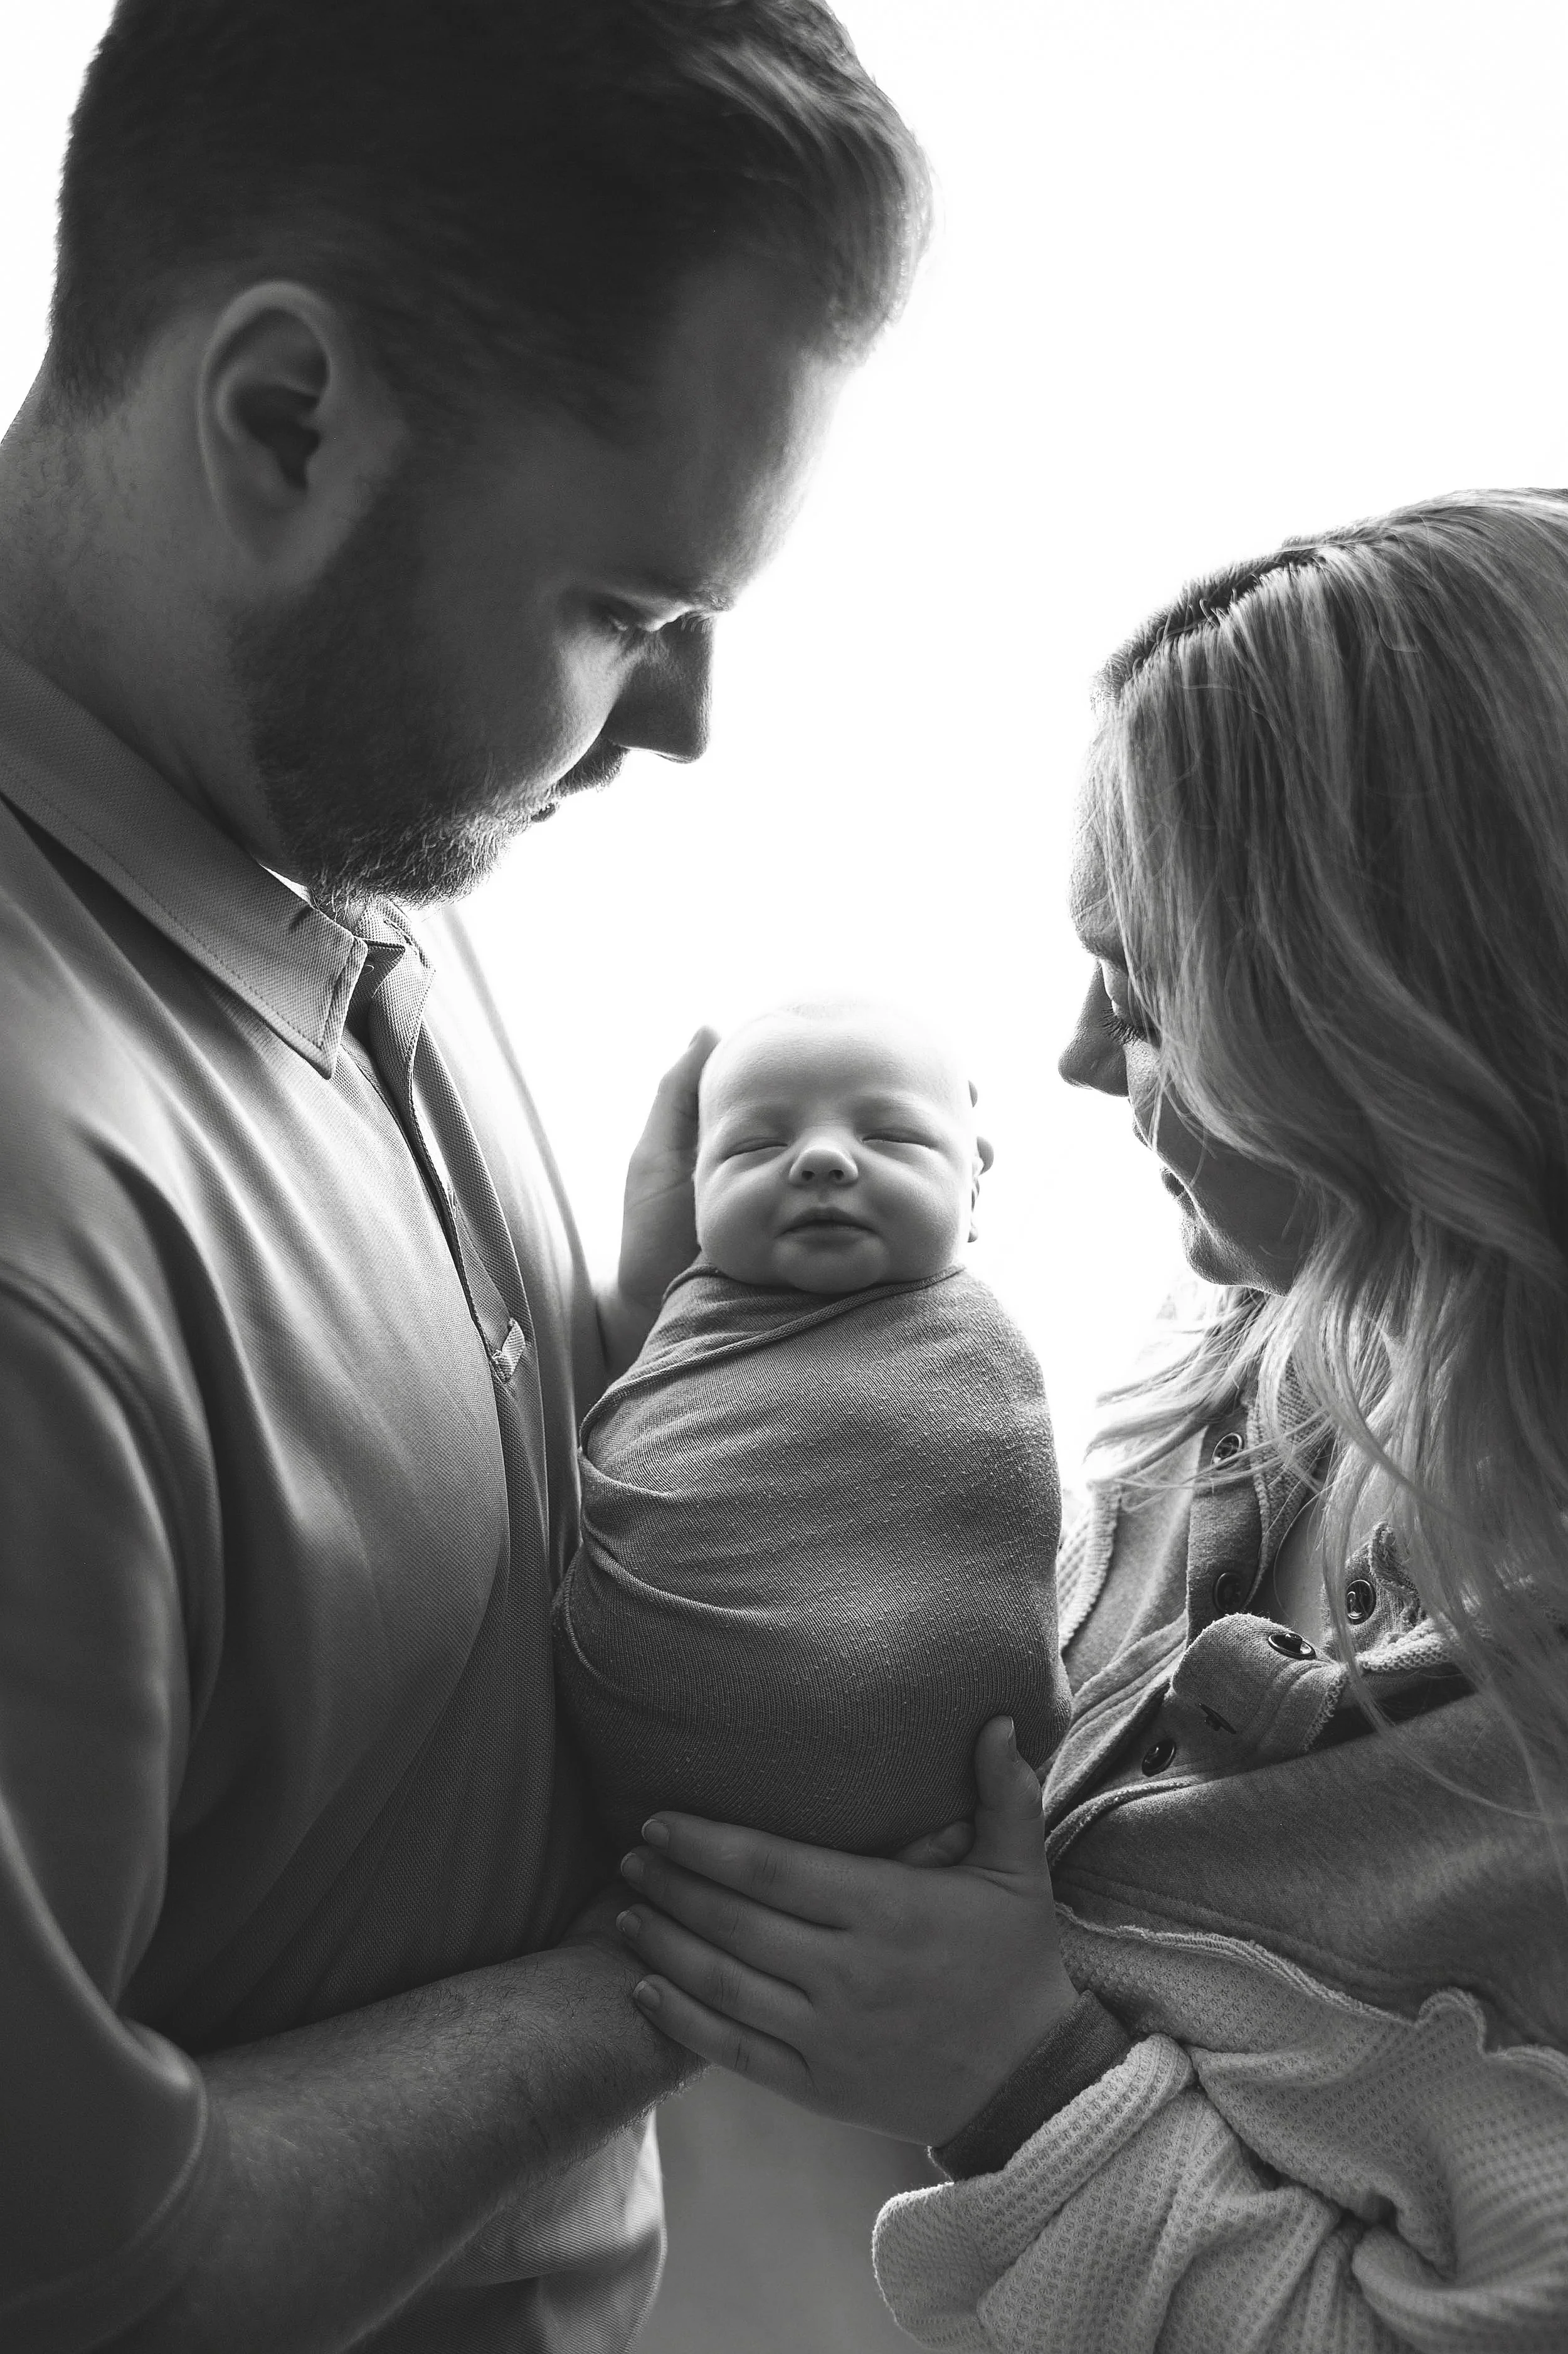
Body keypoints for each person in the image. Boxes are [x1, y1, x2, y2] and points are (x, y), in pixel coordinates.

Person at [0, 5, 930, 2350]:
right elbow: (80, 2270)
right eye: (626, 609)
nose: (683, 725)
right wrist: (694, 1969)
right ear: (284, 420)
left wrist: (667, 1393)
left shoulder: (322, 812)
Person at [608, 490, 1568, 2349]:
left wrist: (1023, 2083)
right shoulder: (1240, 1372)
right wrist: (696, 1360)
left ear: (1388, 1015)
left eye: (1140, 984)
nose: (1065, 1059)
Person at [553, 1000, 1071, 1858]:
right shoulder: (680, 1328)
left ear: (972, 1177)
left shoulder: (971, 1344)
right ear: (696, 1189)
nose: (824, 1160)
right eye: (756, 1147)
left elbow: (1000, 1545)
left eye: (894, 1138)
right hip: (654, 1831)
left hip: (942, 1839)